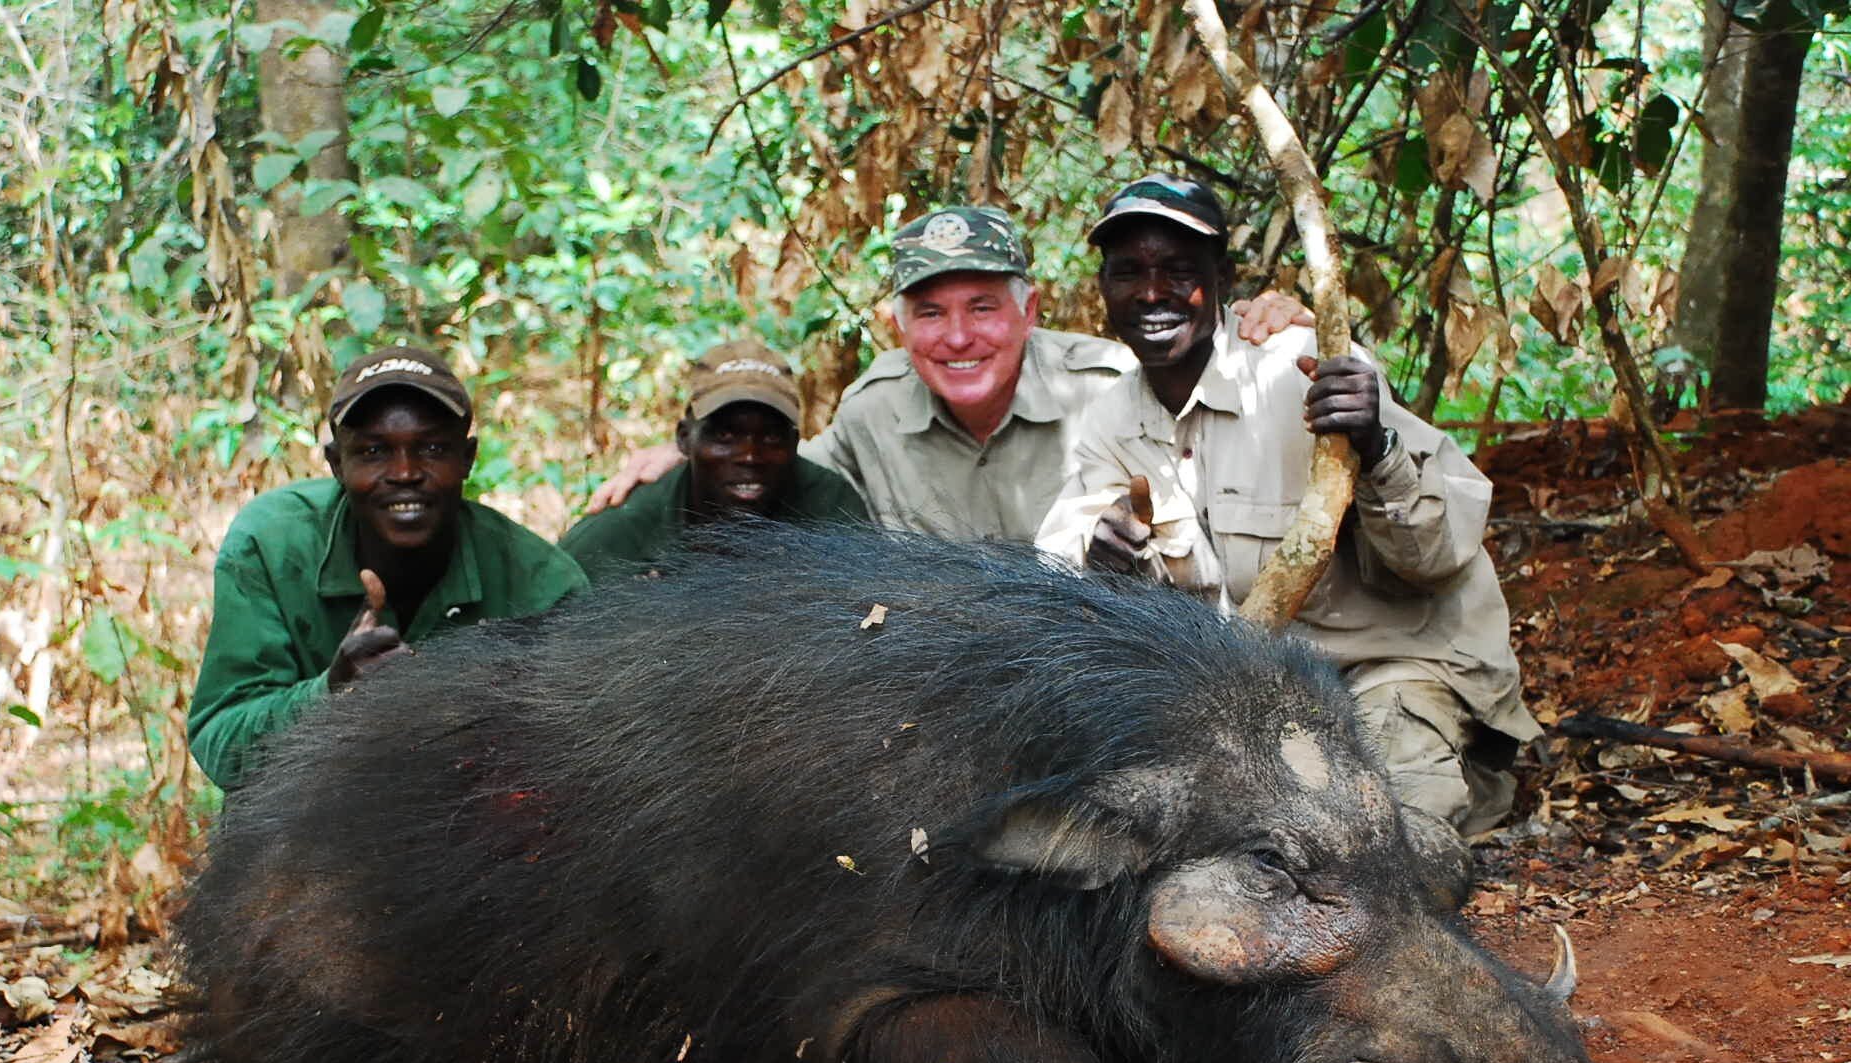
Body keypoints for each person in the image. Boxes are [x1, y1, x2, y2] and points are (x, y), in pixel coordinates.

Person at [1035, 174, 1539, 833]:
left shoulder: (1305, 368)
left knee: (1387, 841)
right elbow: (1059, 585)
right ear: (1103, 288)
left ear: (1220, 279)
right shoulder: (1112, 421)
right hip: (1252, 698)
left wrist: (1375, 441)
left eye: (1178, 270)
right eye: (1128, 272)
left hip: (1383, 667)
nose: (1152, 293)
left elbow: (1437, 557)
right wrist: (1099, 559)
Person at [583, 206, 1309, 541]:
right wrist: (676, 458)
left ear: (1030, 312)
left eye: (983, 307)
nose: (958, 337)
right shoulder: (875, 410)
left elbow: (1217, 407)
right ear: (898, 329)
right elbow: (770, 469)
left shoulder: (1109, 384)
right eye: (930, 313)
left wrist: (1262, 319)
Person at [188, 345, 589, 791]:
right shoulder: (272, 545)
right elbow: (220, 745)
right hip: (308, 820)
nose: (405, 472)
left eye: (433, 448)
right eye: (375, 451)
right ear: (337, 464)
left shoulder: (541, 582)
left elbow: (577, 755)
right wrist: (333, 694)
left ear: (467, 458)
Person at [559, 339, 867, 582]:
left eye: (771, 437)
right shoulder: (626, 527)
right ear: (684, 440)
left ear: (795, 443)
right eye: (725, 436)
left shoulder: (830, 507)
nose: (749, 456)